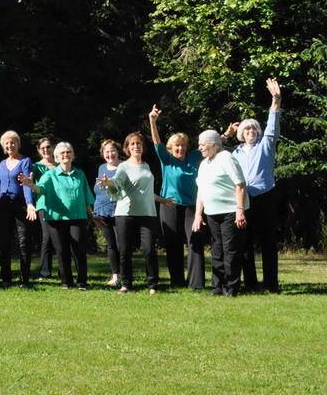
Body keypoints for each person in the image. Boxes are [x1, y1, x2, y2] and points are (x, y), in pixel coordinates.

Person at [224, 78, 282, 293]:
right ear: (241, 134)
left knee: (268, 242)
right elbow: (212, 147)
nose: (250, 131)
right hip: (243, 199)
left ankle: (271, 285)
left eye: (253, 129)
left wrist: (275, 100)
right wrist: (226, 134)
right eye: (247, 129)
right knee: (244, 243)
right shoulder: (234, 153)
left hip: (265, 196)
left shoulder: (265, 145)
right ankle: (250, 284)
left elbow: (272, 124)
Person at [19, 142, 102, 290]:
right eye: (62, 153)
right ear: (57, 157)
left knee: (78, 250)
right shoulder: (50, 175)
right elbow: (41, 189)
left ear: (72, 155)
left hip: (77, 217)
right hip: (56, 218)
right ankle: (66, 282)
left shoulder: (80, 174)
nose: (65, 155)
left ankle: (81, 282)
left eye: (68, 152)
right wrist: (31, 185)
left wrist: (92, 214)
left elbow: (86, 196)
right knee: (62, 251)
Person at [97, 132, 166, 294]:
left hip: (147, 213)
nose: (136, 146)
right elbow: (118, 181)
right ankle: (126, 283)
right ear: (127, 148)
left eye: (139, 143)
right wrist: (109, 182)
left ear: (142, 146)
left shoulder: (146, 166)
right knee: (125, 250)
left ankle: (152, 285)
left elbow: (146, 192)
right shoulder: (123, 166)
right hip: (125, 214)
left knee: (149, 249)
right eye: (132, 144)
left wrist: (163, 200)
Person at [149, 104, 206, 290]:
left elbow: (211, 144)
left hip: (191, 206)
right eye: (176, 146)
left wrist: (228, 133)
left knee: (195, 241)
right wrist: (152, 120)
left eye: (182, 145)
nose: (180, 148)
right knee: (173, 244)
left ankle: (196, 283)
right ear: (171, 148)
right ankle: (177, 282)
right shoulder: (167, 160)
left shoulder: (193, 157)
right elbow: (156, 142)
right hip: (170, 205)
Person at [192, 130, 249, 297]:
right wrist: (198, 215)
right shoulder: (204, 164)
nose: (200, 147)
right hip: (212, 213)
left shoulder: (226, 158)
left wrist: (240, 210)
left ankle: (231, 288)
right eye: (199, 144)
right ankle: (217, 287)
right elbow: (201, 190)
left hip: (230, 211)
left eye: (203, 144)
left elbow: (240, 184)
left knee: (230, 250)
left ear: (214, 145)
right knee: (216, 250)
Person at [0, 130, 37, 287]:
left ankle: (24, 280)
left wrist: (30, 203)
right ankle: (6, 278)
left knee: (24, 242)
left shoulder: (25, 161)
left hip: (20, 205)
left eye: (13, 142)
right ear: (3, 146)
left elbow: (26, 184)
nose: (10, 145)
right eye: (7, 143)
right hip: (2, 206)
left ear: (18, 144)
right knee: (3, 242)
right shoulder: (2, 163)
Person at [93, 140, 121, 287]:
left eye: (112, 150)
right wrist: (95, 213)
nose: (110, 154)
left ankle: (126, 275)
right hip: (103, 212)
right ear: (103, 154)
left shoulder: (124, 166)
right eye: (106, 151)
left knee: (122, 244)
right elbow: (99, 192)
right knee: (111, 245)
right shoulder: (102, 167)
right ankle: (115, 276)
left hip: (121, 211)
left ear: (118, 151)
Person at [32, 137, 57, 280]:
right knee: (47, 238)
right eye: (43, 148)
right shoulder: (36, 166)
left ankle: (64, 271)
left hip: (62, 206)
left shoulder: (61, 164)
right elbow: (30, 185)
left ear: (53, 148)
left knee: (63, 239)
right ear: (38, 150)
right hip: (44, 205)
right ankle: (44, 273)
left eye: (48, 147)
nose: (46, 150)